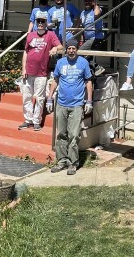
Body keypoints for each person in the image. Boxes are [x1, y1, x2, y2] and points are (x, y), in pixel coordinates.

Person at [47, 40, 93, 175]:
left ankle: (73, 163)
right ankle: (62, 160)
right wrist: (50, 98)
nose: (71, 51)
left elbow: (88, 81)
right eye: (69, 48)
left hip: (77, 105)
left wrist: (89, 101)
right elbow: (55, 80)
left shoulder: (83, 63)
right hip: (61, 103)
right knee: (61, 134)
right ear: (66, 50)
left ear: (77, 49)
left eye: (74, 48)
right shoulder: (60, 63)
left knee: (73, 135)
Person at [19, 13, 62, 131]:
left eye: (43, 21)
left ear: (46, 23)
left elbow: (61, 46)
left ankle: (37, 121)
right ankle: (28, 120)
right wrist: (23, 68)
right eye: (38, 21)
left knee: (39, 98)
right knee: (26, 96)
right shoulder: (30, 35)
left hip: (42, 73)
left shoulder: (50, 35)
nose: (40, 24)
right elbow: (26, 52)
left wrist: (55, 48)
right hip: (28, 71)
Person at [78, 0, 107, 74]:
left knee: (79, 53)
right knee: (86, 56)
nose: (87, 2)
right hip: (87, 39)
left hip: (96, 38)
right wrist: (81, 40)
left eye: (89, 1)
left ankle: (96, 67)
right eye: (86, 0)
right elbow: (82, 28)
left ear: (93, 1)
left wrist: (95, 4)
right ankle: (95, 69)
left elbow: (97, 14)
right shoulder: (82, 13)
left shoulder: (96, 9)